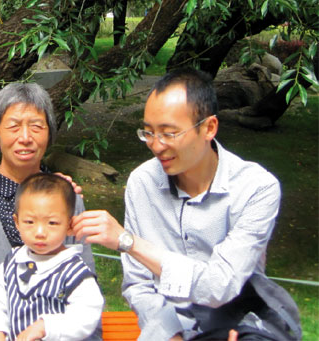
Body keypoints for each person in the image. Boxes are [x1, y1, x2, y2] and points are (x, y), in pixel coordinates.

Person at [72, 68, 301, 340]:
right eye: (148, 133)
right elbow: (138, 286)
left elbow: (220, 286)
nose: (156, 146)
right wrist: (171, 334)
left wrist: (128, 242)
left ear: (209, 128)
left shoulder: (256, 188)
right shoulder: (142, 183)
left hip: (238, 324)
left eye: (169, 133)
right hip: (166, 327)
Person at [0, 82, 97, 341]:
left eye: (36, 126)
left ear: (49, 134)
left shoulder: (66, 197)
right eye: (13, 126)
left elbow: (87, 285)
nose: (25, 137)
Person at [0, 172, 104, 341]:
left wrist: (44, 327)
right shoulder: (10, 264)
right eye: (29, 222)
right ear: (17, 222)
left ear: (69, 226)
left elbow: (87, 315)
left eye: (52, 223)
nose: (40, 232)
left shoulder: (75, 272)